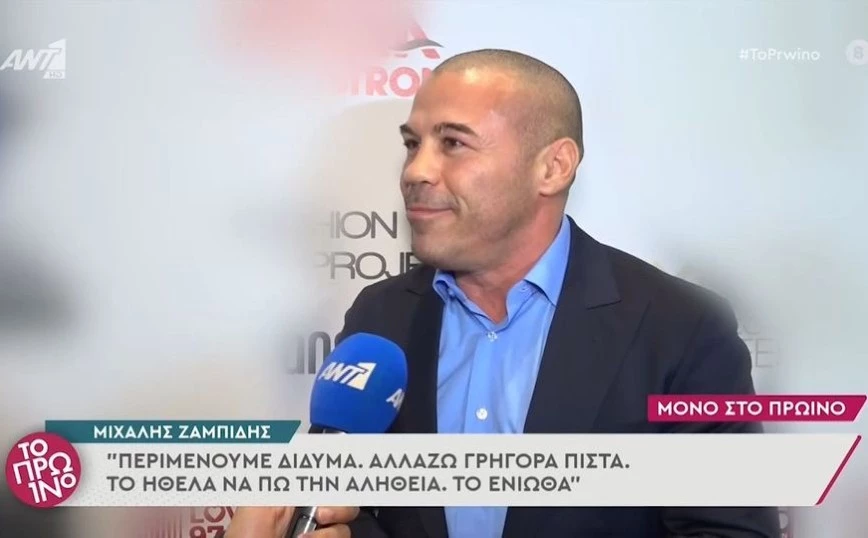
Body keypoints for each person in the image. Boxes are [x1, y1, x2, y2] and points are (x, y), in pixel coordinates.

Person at [225, 49, 779, 538]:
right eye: (413, 144)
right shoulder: (382, 314)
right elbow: (356, 508)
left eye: (453, 143)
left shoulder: (682, 328)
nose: (416, 171)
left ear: (553, 167)